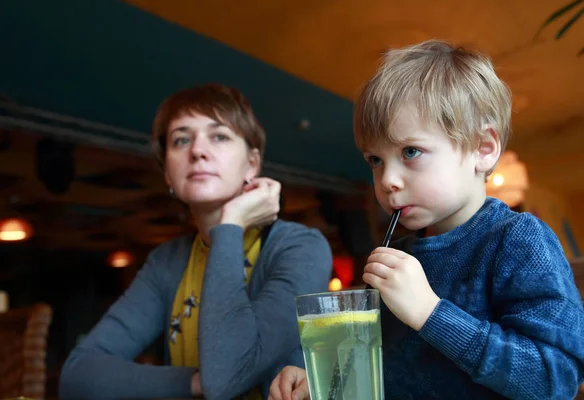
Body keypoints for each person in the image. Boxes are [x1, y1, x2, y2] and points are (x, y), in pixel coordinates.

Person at [268, 40, 584, 400]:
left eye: (411, 152)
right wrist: (323, 380)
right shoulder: (396, 255)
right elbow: (384, 368)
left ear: (483, 148)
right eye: (375, 160)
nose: (388, 180)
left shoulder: (518, 239)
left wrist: (429, 312)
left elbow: (554, 379)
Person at [59, 84, 333, 399]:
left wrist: (230, 223)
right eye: (181, 139)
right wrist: (196, 383)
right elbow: (78, 375)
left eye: (219, 136)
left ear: (252, 164)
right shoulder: (167, 261)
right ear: (167, 174)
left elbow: (227, 378)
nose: (198, 150)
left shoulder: (299, 247)